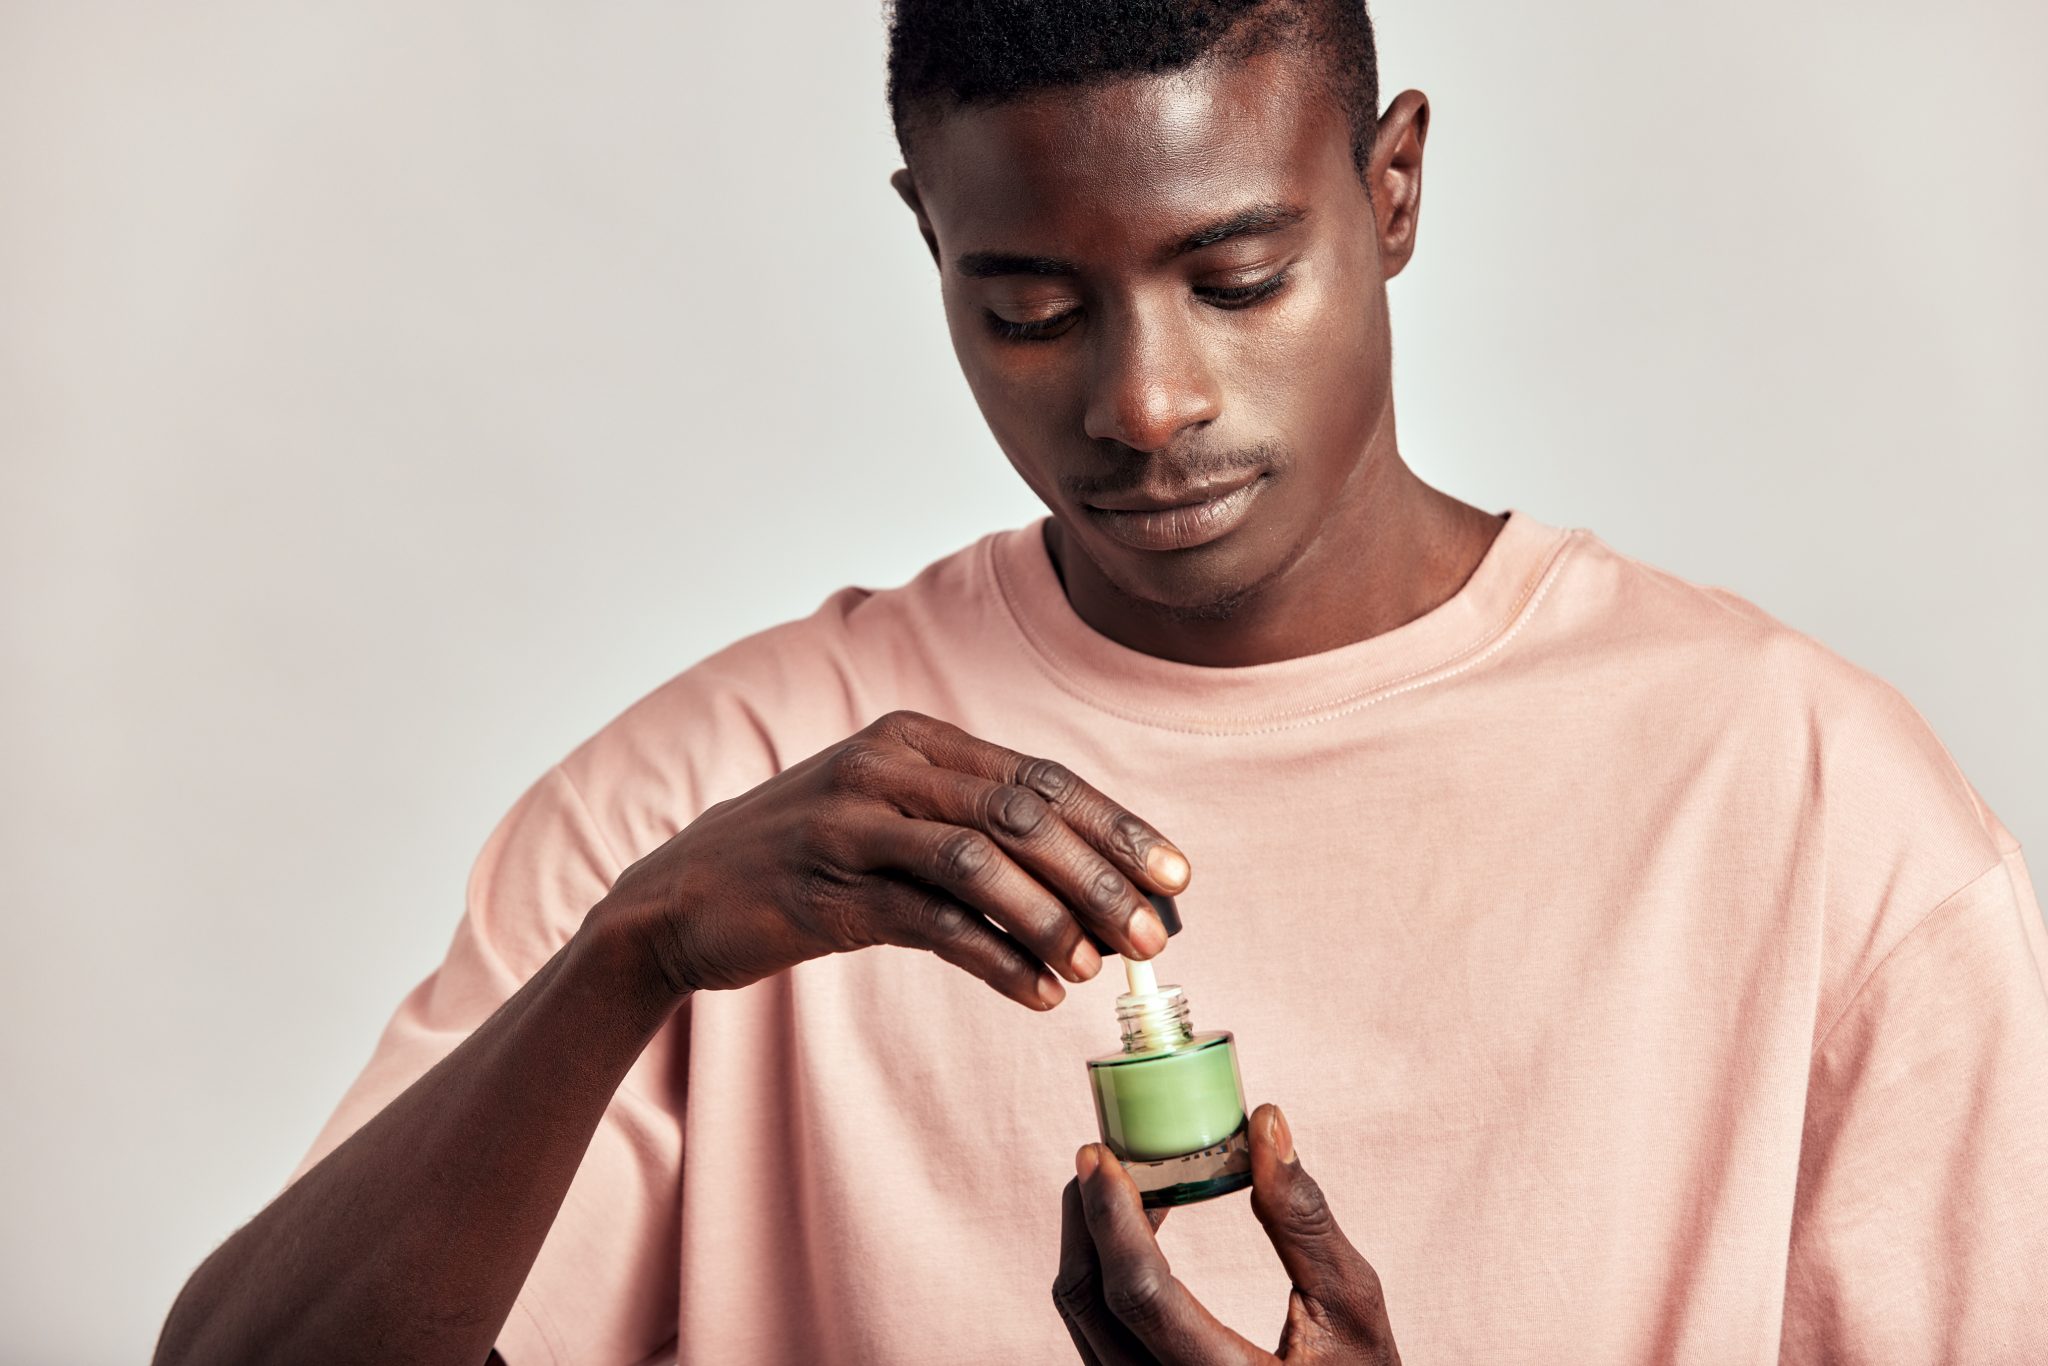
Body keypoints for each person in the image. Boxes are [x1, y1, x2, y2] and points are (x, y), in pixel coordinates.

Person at [154, 1, 2048, 1363]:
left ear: (1391, 193)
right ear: (927, 238)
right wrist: (626, 954)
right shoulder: (721, 800)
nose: (1144, 405)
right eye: (1029, 308)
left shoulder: (1811, 804)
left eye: (1237, 278)